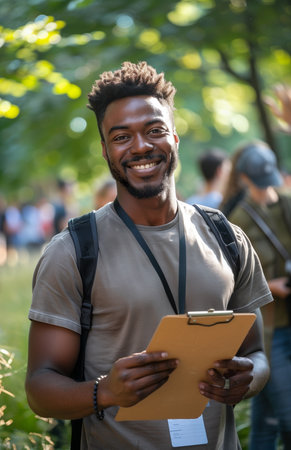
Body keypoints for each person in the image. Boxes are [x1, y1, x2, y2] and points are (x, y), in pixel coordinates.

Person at [25, 61, 272, 450]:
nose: (140, 146)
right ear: (106, 151)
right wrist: (104, 392)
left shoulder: (226, 237)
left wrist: (247, 378)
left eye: (154, 131)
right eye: (122, 136)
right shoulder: (73, 251)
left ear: (174, 138)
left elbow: (256, 354)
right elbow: (40, 389)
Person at [226, 140, 291, 449]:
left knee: (266, 420)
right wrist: (270, 286)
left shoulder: (288, 204)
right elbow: (235, 276)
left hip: (289, 319)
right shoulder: (237, 219)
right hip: (268, 328)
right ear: (245, 179)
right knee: (287, 415)